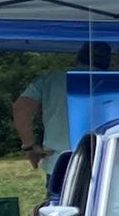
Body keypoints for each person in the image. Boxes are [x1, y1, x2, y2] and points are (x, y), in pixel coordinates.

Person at [15, 44, 111, 181]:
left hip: (60, 162)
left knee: (60, 201)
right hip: (107, 161)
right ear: (109, 62)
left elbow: (20, 109)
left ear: (78, 58)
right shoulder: (115, 82)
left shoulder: (51, 79)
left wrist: (29, 146)